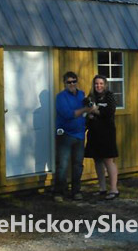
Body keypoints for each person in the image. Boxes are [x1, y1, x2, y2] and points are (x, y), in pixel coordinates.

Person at [54, 71, 94, 202]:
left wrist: (90, 110)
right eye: (69, 82)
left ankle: (76, 191)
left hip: (80, 135)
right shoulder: (60, 97)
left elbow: (87, 110)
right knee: (63, 165)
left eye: (74, 81)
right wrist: (85, 110)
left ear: (77, 82)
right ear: (64, 83)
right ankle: (59, 192)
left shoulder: (82, 95)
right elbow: (67, 114)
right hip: (65, 135)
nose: (72, 84)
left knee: (78, 165)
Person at [85, 75, 119, 200]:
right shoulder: (91, 97)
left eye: (100, 83)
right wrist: (90, 114)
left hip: (107, 133)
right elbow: (86, 112)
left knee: (108, 160)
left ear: (105, 85)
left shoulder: (109, 95)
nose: (98, 86)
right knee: (97, 160)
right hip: (94, 133)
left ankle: (114, 189)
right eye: (96, 84)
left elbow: (110, 112)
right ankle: (102, 188)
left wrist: (95, 111)